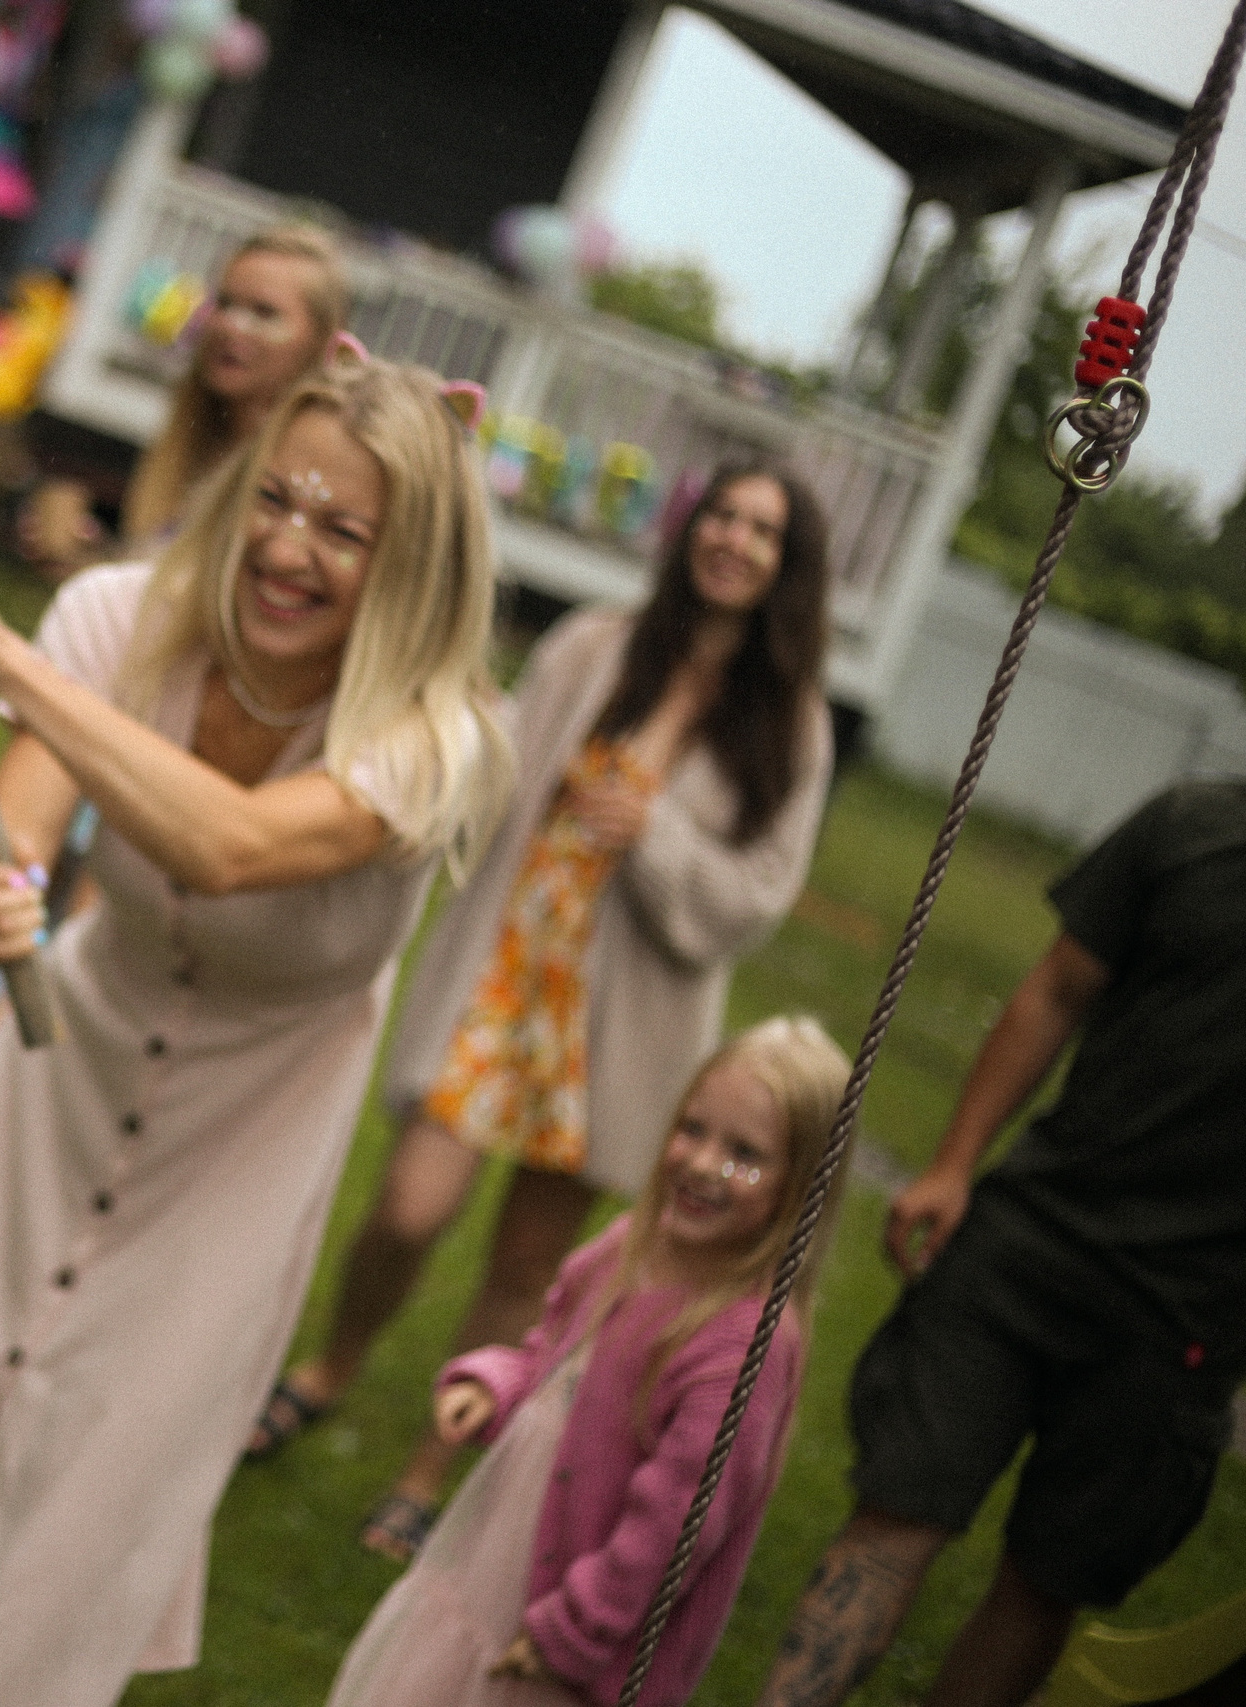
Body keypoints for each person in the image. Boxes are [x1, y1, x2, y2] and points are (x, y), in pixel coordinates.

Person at [0, 357, 512, 1707]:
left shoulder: (440, 736)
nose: (286, 546)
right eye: (275, 500)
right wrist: (7, 887)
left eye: (342, 528)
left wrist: (2, 654)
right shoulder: (122, 617)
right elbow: (24, 819)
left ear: (414, 565)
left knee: (77, 1500)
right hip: (58, 1073)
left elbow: (232, 845)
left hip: (239, 1148)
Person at [248, 461, 835, 1566]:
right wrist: (464, 718)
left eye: (762, 530)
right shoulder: (599, 644)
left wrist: (653, 834)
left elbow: (756, 898)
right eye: (721, 515)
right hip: (511, 974)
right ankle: (331, 1363)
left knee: (529, 1266)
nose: (734, 540)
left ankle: (430, 1465)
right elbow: (500, 760)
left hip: (618, 1022)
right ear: (691, 529)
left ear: (786, 564)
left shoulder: (791, 724)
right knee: (408, 1209)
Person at [754, 777, 1246, 1707]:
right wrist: (952, 1162)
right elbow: (1058, 987)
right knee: (898, 1509)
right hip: (1031, 1237)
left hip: (1183, 1321)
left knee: (1044, 1579)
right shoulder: (1195, 823)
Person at [328, 1016, 853, 1707]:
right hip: (502, 1552)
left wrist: (574, 1630)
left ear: (803, 1188)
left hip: (575, 1628)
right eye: (693, 1129)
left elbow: (676, 1524)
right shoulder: (633, 1244)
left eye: (744, 1153)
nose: (702, 1163)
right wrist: (498, 1386)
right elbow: (552, 1351)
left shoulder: (745, 1344)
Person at [17, 223, 348, 579]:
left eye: (264, 312)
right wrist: (78, 557)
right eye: (224, 303)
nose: (231, 325)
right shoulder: (196, 440)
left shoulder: (304, 478)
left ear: (321, 339)